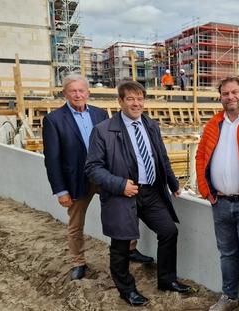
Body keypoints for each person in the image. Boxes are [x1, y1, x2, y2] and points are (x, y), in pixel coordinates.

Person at [85, 81, 191, 307]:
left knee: (168, 231)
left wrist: (173, 184)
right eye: (131, 99)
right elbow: (92, 168)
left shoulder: (150, 125)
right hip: (123, 195)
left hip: (151, 192)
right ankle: (126, 290)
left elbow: (161, 157)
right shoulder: (103, 131)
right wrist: (119, 184)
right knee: (122, 244)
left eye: (140, 98)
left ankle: (166, 280)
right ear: (120, 101)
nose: (137, 103)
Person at [43, 74, 152, 281]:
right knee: (76, 224)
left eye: (81, 90)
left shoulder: (100, 114)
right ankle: (78, 261)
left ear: (88, 92)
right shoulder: (53, 120)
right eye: (73, 91)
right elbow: (52, 159)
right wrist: (61, 190)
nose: (77, 94)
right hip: (75, 180)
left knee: (125, 210)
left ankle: (130, 249)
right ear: (65, 93)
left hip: (104, 176)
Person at [196, 76, 239, 311]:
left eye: (235, 92)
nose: (230, 97)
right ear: (221, 97)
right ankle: (229, 297)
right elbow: (200, 156)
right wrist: (206, 191)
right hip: (220, 203)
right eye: (225, 94)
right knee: (227, 254)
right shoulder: (214, 123)